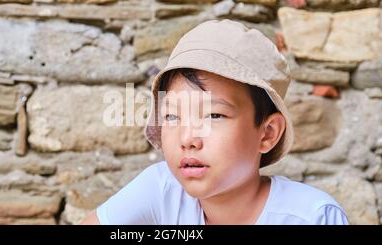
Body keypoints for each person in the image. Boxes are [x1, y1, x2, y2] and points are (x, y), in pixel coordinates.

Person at [82, 20, 348, 225]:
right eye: (172, 116)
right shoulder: (162, 190)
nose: (188, 139)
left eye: (214, 115)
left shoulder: (311, 216)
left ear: (267, 134)